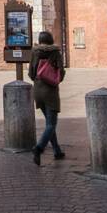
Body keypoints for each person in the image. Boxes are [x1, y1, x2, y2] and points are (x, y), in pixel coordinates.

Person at [29, 31, 66, 166]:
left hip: (38, 90)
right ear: (50, 39)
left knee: (49, 123)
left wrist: (38, 78)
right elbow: (61, 72)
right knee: (51, 124)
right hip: (50, 91)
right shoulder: (55, 52)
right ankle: (38, 148)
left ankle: (57, 150)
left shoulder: (35, 52)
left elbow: (31, 73)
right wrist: (55, 79)